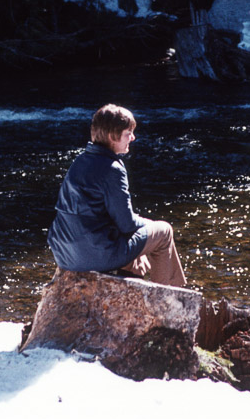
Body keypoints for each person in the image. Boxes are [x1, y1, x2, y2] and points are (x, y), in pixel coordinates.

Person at [47, 104, 186, 287]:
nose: (133, 138)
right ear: (113, 136)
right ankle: (170, 297)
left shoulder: (80, 161)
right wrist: (150, 224)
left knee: (135, 245)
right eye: (128, 133)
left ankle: (130, 291)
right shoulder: (113, 168)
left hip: (65, 254)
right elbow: (127, 223)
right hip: (94, 255)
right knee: (163, 231)